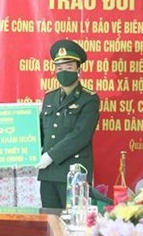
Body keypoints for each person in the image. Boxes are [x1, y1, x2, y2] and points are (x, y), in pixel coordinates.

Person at [36, 39, 100, 209]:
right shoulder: (50, 97)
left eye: (69, 68)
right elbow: (41, 131)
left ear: (78, 70)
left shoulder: (89, 99)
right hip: (48, 174)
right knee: (50, 222)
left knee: (74, 223)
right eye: (60, 68)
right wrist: (24, 147)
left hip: (74, 173)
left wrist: (50, 156)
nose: (64, 72)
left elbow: (81, 135)